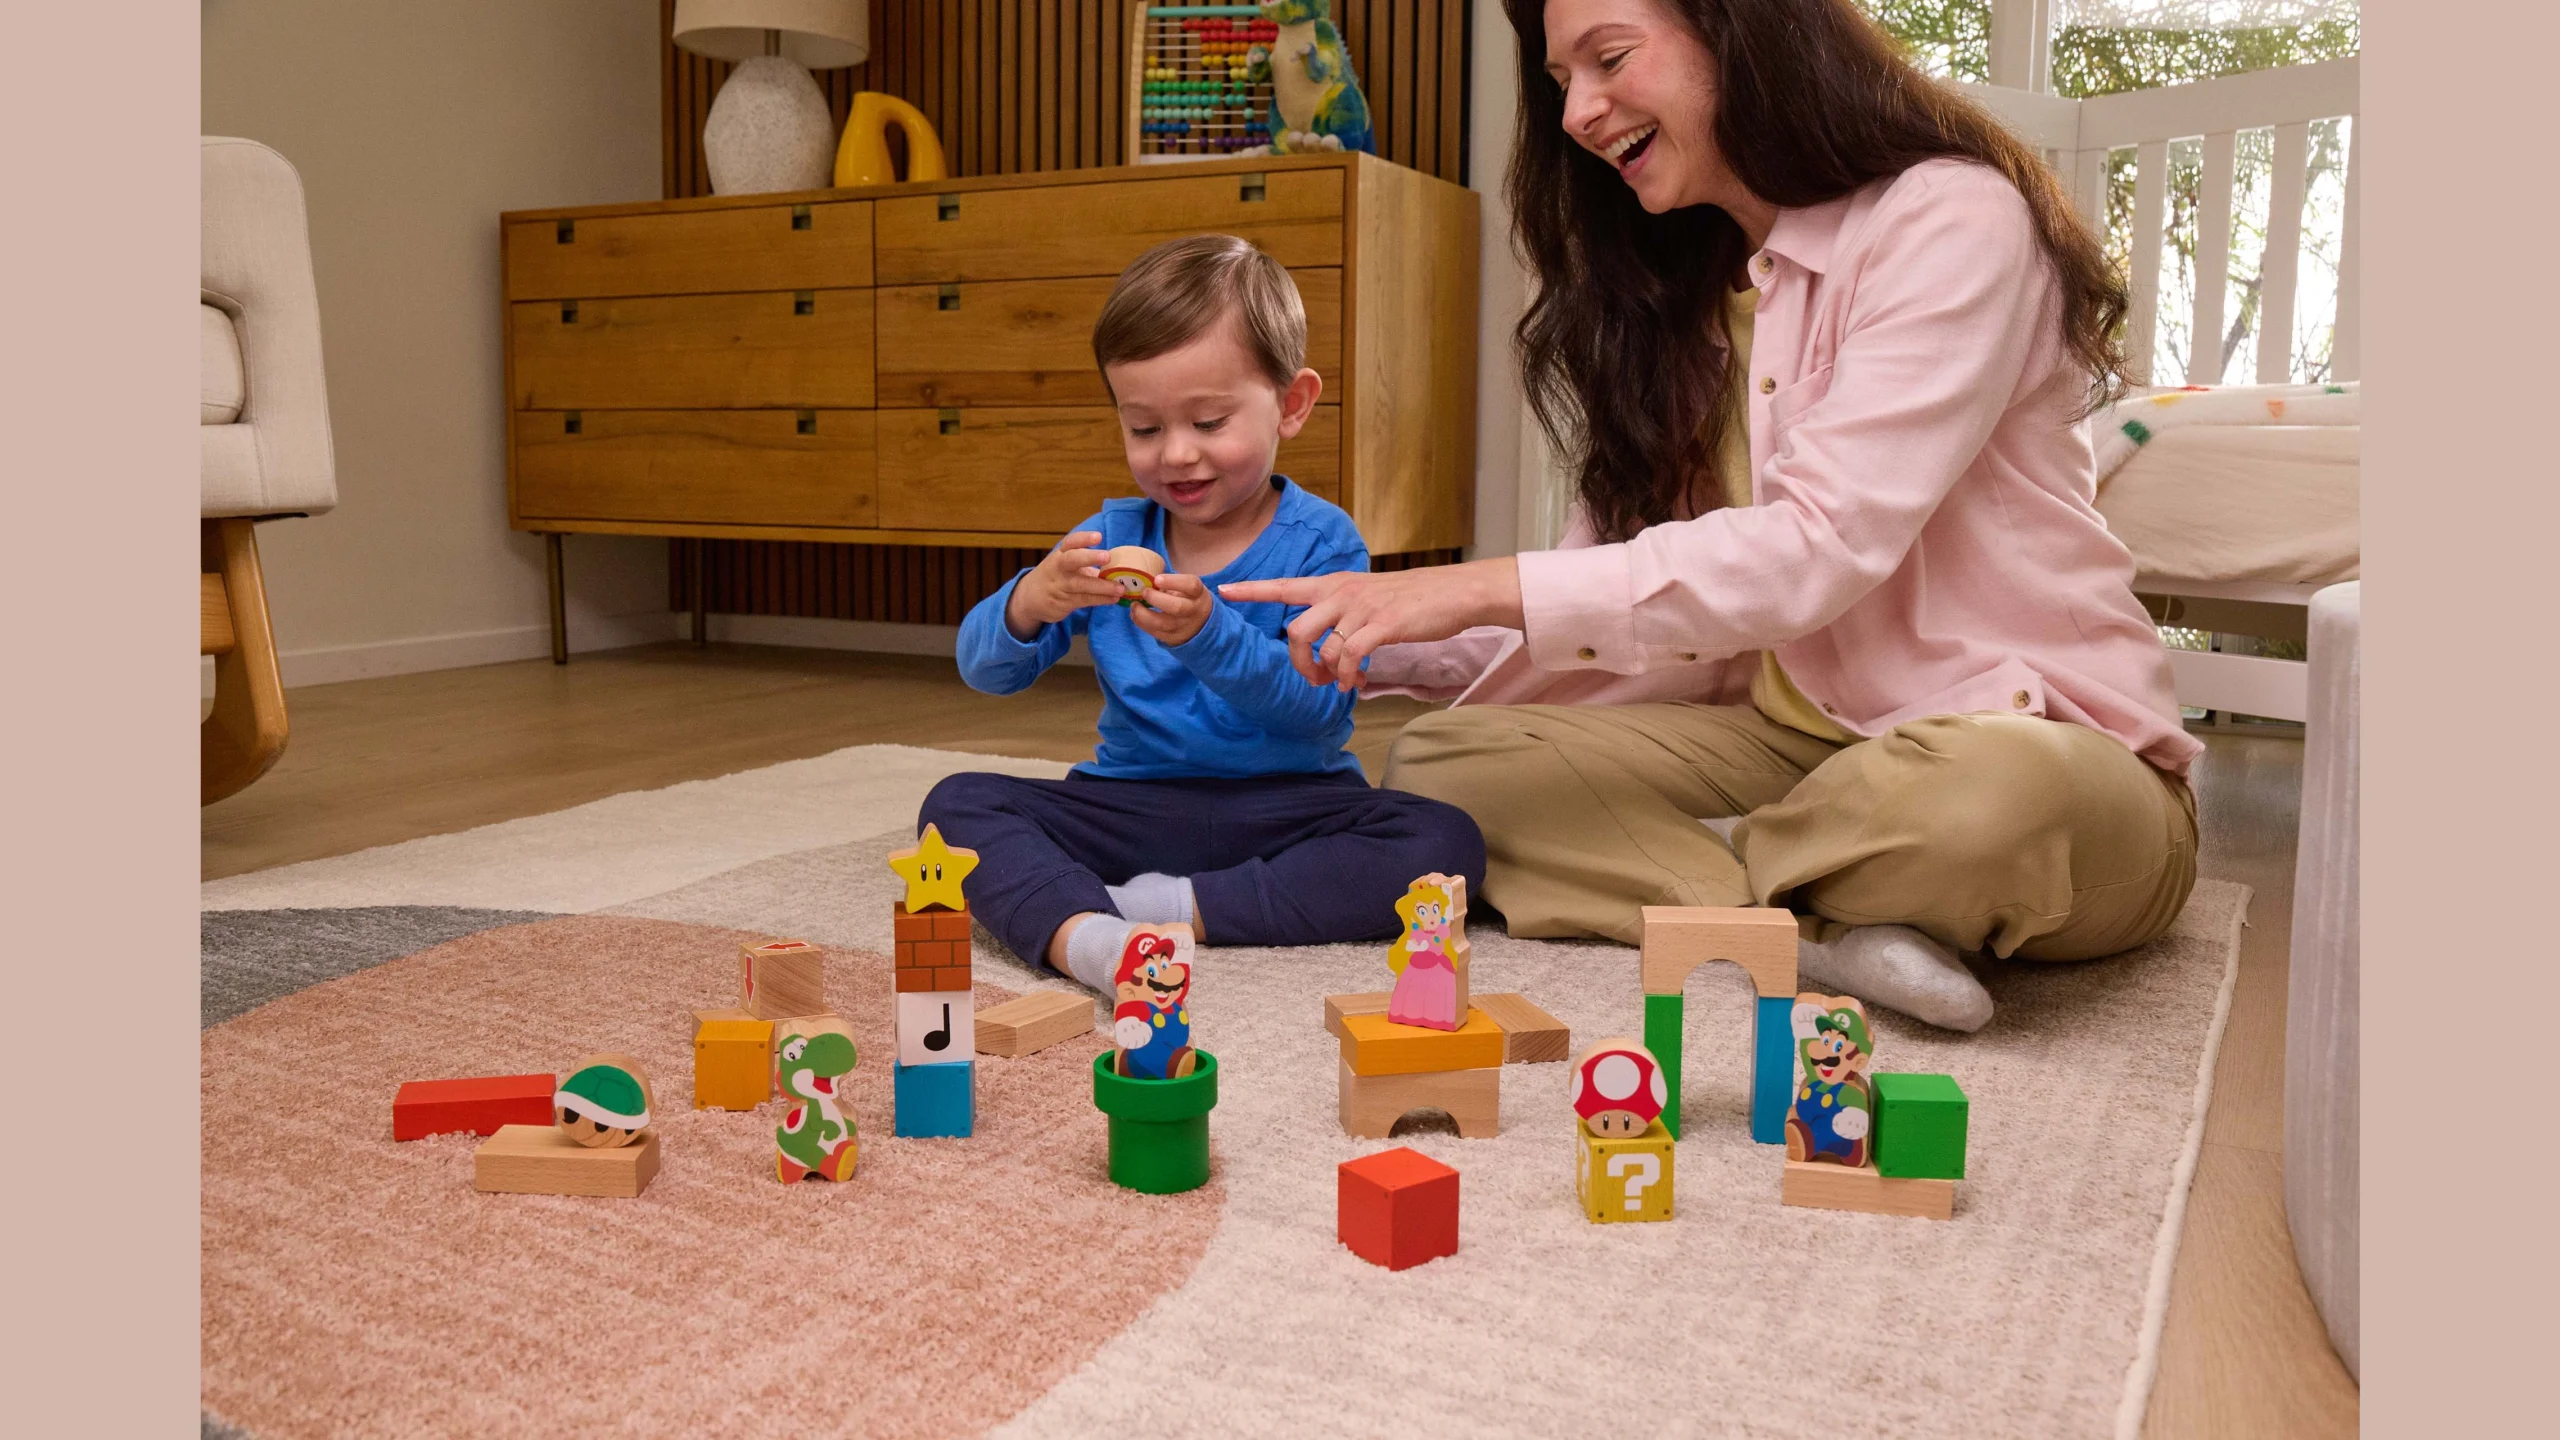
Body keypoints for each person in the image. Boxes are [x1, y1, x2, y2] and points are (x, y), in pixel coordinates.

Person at [1222, 0, 2200, 1032]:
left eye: (1608, 60)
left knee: (1991, 806)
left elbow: (1813, 550)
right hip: (1790, 747)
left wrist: (1454, 585)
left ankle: (1732, 871)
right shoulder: (1674, 303)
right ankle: (1828, 927)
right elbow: (1602, 610)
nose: (1578, 116)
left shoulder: (1949, 216)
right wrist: (1361, 638)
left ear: (1743, 28)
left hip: (2026, 741)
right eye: (1562, 84)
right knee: (1442, 769)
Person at [919, 235, 1486, 993]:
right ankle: (1086, 940)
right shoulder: (1111, 536)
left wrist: (1209, 636)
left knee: (1443, 843)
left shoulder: (1324, 542)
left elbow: (1314, 712)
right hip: (1130, 803)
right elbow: (985, 672)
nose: (1176, 454)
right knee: (955, 805)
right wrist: (1029, 601)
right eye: (1144, 428)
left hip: (1289, 806)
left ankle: (1174, 907)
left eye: (1209, 423)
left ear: (1291, 405)